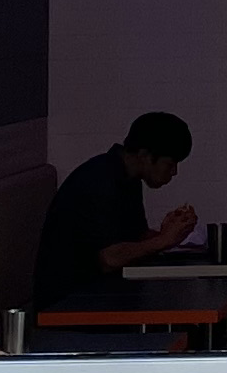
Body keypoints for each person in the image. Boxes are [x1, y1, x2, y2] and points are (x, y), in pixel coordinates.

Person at [31, 112, 197, 332]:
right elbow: (109, 257)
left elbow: (135, 238)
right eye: (170, 163)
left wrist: (170, 233)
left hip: (99, 297)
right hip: (68, 308)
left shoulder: (128, 178)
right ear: (144, 155)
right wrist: (163, 240)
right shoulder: (99, 182)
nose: (174, 172)